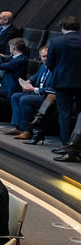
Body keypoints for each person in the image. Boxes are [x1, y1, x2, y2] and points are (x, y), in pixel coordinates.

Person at [46, 15, 81, 159]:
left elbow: (49, 63)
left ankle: (66, 145)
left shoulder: (56, 41)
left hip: (61, 82)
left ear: (62, 27)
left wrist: (60, 73)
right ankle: (77, 145)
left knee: (64, 114)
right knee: (80, 114)